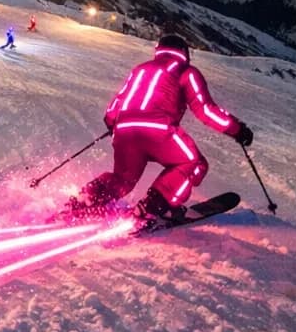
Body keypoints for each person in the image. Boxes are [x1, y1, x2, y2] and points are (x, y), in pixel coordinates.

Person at [67, 34, 252, 225]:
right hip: (158, 129)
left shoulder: (141, 69)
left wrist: (114, 123)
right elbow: (205, 110)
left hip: (124, 129)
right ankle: (153, 208)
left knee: (123, 178)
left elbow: (116, 104)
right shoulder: (185, 71)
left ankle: (85, 201)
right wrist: (237, 129)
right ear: (184, 52)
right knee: (194, 163)